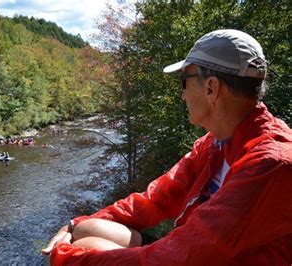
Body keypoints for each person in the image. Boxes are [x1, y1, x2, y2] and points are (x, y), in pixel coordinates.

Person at [42, 29, 292, 265]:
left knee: (86, 247)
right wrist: (74, 224)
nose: (183, 95)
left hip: (192, 258)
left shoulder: (271, 164)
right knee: (88, 229)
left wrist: (62, 256)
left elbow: (181, 258)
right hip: (191, 252)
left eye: (184, 82)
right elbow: (155, 199)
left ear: (211, 88)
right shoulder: (215, 142)